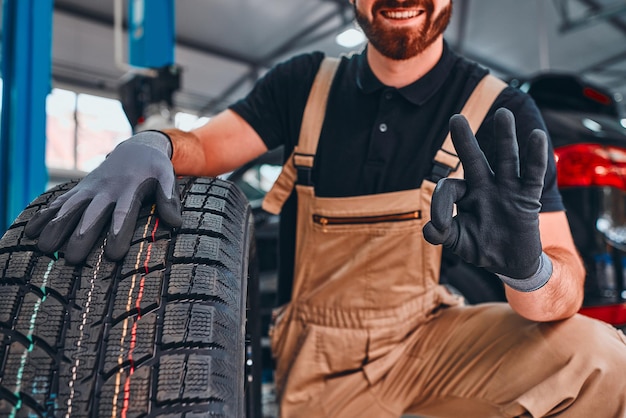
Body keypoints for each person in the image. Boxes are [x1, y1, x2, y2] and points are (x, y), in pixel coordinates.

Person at [25, 0, 626, 416]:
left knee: (602, 362)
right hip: (317, 358)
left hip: (429, 338)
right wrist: (155, 142)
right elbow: (207, 146)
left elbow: (563, 287)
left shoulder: (503, 112)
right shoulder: (302, 85)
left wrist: (529, 270)